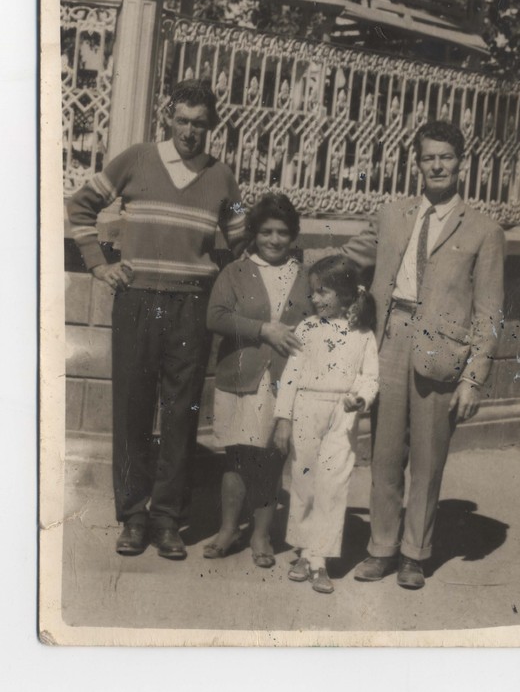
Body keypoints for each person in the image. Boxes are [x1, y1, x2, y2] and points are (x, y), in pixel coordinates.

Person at [67, 79, 247, 561]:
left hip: (191, 307)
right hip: (138, 300)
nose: (190, 131)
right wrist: (99, 263)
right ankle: (132, 516)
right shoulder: (138, 158)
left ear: (212, 126)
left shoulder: (223, 177)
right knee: (132, 407)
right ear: (169, 117)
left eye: (200, 123)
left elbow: (242, 241)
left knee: (181, 413)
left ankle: (167, 518)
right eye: (182, 120)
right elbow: (79, 204)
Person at [337, 120, 505, 589]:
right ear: (417, 164)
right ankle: (381, 549)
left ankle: (415, 553)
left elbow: (490, 312)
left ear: (460, 163)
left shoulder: (485, 231)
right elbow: (347, 259)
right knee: (386, 454)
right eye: (429, 157)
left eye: (446, 157)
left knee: (428, 460)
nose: (437, 165)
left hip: (442, 350)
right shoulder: (391, 215)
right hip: (390, 338)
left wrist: (474, 377)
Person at [205, 194, 313, 567]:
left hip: (283, 382)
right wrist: (263, 329)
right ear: (253, 233)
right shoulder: (234, 272)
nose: (274, 239)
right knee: (236, 456)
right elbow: (215, 317)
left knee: (269, 459)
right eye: (266, 231)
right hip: (240, 377)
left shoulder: (303, 275)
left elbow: (316, 324)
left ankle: (262, 534)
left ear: (293, 235)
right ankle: (228, 529)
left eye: (283, 232)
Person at [273, 256, 379, 594]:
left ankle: (320, 560)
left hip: (342, 414)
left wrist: (360, 399)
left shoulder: (362, 333)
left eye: (323, 292)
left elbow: (369, 376)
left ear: (346, 293)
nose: (315, 299)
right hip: (306, 407)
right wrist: (283, 419)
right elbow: (290, 377)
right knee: (304, 480)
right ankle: (304, 551)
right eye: (313, 292)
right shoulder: (306, 329)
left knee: (332, 485)